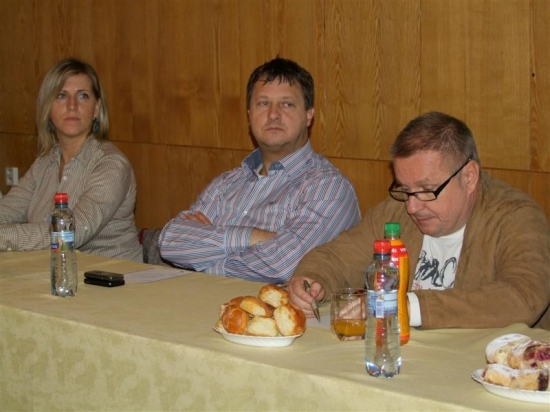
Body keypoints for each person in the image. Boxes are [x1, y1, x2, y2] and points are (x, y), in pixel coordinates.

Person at [289, 111, 550, 330]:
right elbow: (337, 257)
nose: (412, 207)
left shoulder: (516, 218)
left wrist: (406, 307)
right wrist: (312, 281)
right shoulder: (396, 211)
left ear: (469, 177)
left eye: (427, 190)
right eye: (405, 189)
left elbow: (523, 296)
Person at [159, 57, 361, 282]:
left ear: (308, 116)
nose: (273, 114)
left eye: (287, 104)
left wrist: (206, 262)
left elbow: (283, 266)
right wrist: (253, 237)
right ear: (249, 116)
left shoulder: (328, 188)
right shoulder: (227, 183)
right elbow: (170, 241)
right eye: (263, 103)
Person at [0, 58, 142, 262]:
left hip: (112, 276)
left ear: (96, 108)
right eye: (61, 95)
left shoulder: (112, 164)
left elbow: (70, 233)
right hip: (51, 273)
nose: (72, 106)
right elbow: (5, 212)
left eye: (83, 96)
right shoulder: (44, 164)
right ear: (48, 107)